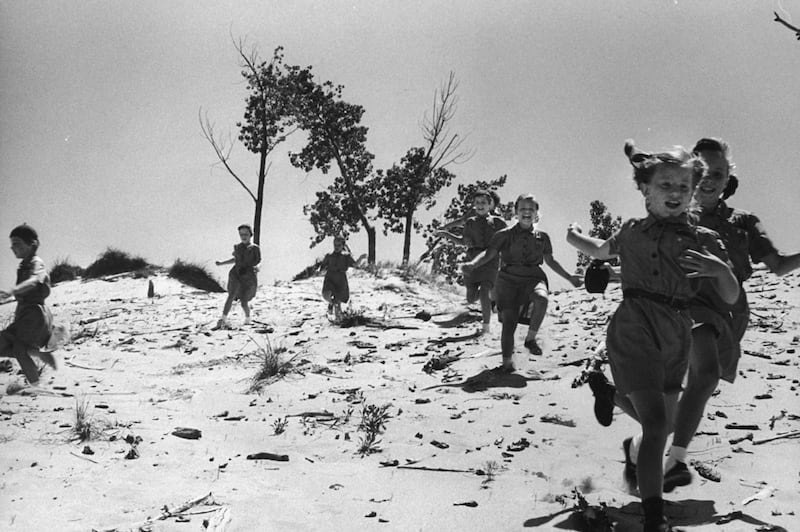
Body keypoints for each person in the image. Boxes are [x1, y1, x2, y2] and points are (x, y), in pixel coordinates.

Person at [566, 140, 739, 532]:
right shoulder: (631, 232)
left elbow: (730, 296)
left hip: (676, 335)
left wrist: (721, 272)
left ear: (693, 191)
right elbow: (600, 250)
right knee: (659, 428)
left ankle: (609, 393)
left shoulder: (704, 240)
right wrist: (573, 236)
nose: (676, 193)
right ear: (645, 189)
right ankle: (653, 519)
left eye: (684, 186)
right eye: (666, 185)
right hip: (634, 328)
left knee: (660, 422)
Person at [660, 137, 800, 491]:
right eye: (702, 171)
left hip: (730, 313)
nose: (709, 179)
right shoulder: (674, 214)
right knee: (704, 376)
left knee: (693, 389)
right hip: (685, 306)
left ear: (727, 180)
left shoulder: (744, 222)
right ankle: (675, 462)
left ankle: (637, 440)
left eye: (718, 173)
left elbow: (780, 265)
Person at [464, 193, 580, 372]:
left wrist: (569, 277)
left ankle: (530, 339)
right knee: (509, 322)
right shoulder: (503, 235)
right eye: (522, 209)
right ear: (516, 212)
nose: (527, 212)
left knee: (542, 299)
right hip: (508, 280)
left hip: (534, 277)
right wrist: (473, 264)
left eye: (531, 209)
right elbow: (489, 254)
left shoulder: (543, 237)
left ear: (536, 213)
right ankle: (507, 364)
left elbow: (550, 261)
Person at [436, 189, 507, 334]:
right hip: (472, 258)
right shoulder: (470, 222)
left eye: (483, 203)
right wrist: (446, 234)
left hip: (490, 259)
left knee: (485, 290)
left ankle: (486, 326)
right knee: (470, 298)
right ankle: (491, 299)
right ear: (474, 205)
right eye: (477, 203)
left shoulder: (498, 221)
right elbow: (462, 241)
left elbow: (508, 239)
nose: (480, 205)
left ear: (490, 204)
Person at [0, 224, 56, 387]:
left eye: (17, 243)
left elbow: (34, 281)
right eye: (11, 244)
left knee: (19, 349)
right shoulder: (23, 265)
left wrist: (13, 290)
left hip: (35, 315)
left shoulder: (36, 262)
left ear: (32, 244)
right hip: (24, 314)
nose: (12, 247)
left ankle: (35, 385)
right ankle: (36, 353)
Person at [215, 224, 261, 328]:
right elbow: (235, 260)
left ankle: (248, 318)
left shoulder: (255, 248)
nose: (243, 236)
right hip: (236, 273)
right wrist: (222, 263)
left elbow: (258, 261)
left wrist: (258, 267)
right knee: (231, 295)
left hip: (248, 276)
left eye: (246, 234)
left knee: (244, 302)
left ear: (250, 234)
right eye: (241, 234)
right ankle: (223, 319)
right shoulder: (238, 247)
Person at [319, 236, 365, 321]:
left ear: (342, 246)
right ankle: (331, 304)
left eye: (339, 245)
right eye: (335, 245)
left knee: (338, 301)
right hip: (330, 278)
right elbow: (322, 267)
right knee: (326, 294)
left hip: (340, 280)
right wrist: (321, 269)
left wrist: (361, 258)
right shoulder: (329, 256)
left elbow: (355, 265)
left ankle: (338, 320)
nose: (336, 247)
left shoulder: (346, 257)